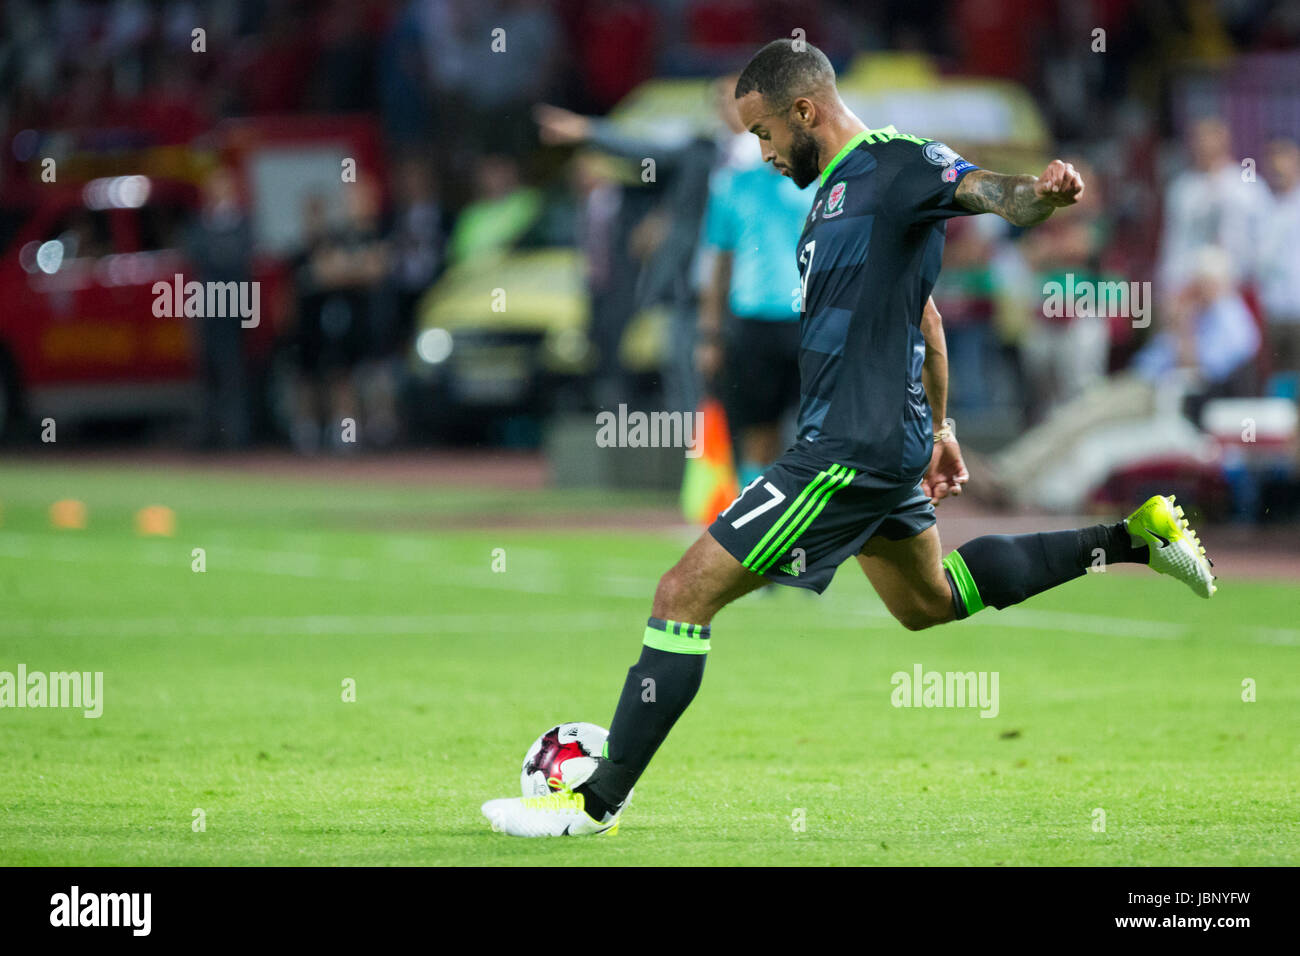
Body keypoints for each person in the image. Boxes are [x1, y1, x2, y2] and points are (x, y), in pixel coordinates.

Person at [482, 40, 1218, 838]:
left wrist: (1040, 193)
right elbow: (926, 318)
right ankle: (1135, 535)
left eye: (764, 133)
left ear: (805, 111)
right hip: (880, 440)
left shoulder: (896, 163)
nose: (761, 154)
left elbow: (992, 194)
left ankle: (593, 804)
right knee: (928, 602)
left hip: (845, 451)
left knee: (680, 595)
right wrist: (941, 427)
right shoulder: (829, 205)